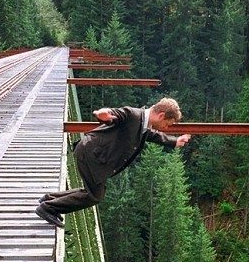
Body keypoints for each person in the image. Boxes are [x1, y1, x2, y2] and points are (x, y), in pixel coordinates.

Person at [35, 97, 191, 228]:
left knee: (91, 192)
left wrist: (175, 141)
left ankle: (50, 199)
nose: (166, 128)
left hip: (95, 155)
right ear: (162, 115)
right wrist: (104, 114)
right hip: (92, 154)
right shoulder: (133, 115)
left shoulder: (142, 123)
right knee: (94, 196)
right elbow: (116, 114)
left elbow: (152, 135)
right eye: (168, 124)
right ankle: (47, 208)